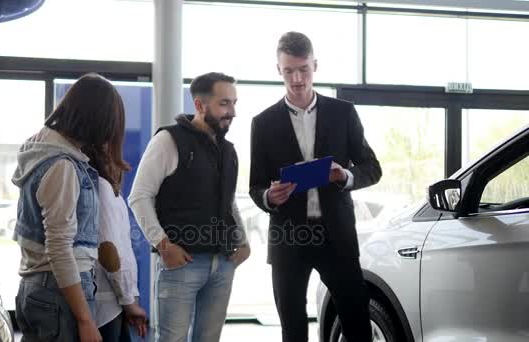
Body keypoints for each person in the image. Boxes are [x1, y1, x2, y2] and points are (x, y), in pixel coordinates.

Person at [249, 32, 382, 342]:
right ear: (278, 70)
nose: (297, 79)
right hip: (288, 239)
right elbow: (256, 186)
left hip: (337, 236)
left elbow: (372, 168)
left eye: (304, 69)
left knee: (355, 320)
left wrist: (345, 177)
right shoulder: (263, 123)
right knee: (292, 329)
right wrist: (269, 196)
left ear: (315, 66)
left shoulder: (343, 113)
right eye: (288, 71)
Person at [128, 72, 251, 342]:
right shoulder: (168, 141)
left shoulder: (228, 150)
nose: (232, 112)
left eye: (234, 103)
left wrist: (242, 241)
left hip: (223, 264)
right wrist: (163, 245)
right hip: (181, 265)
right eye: (224, 104)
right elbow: (139, 196)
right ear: (199, 105)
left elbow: (228, 200)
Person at [12, 73, 125, 342]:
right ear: (95, 121)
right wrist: (85, 319)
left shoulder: (40, 148)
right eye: (108, 126)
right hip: (59, 292)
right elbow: (60, 247)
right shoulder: (62, 166)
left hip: (38, 288)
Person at [84, 141, 148, 341]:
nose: (123, 165)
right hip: (108, 305)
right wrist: (129, 301)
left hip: (113, 302)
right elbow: (109, 252)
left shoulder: (107, 191)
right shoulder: (103, 189)